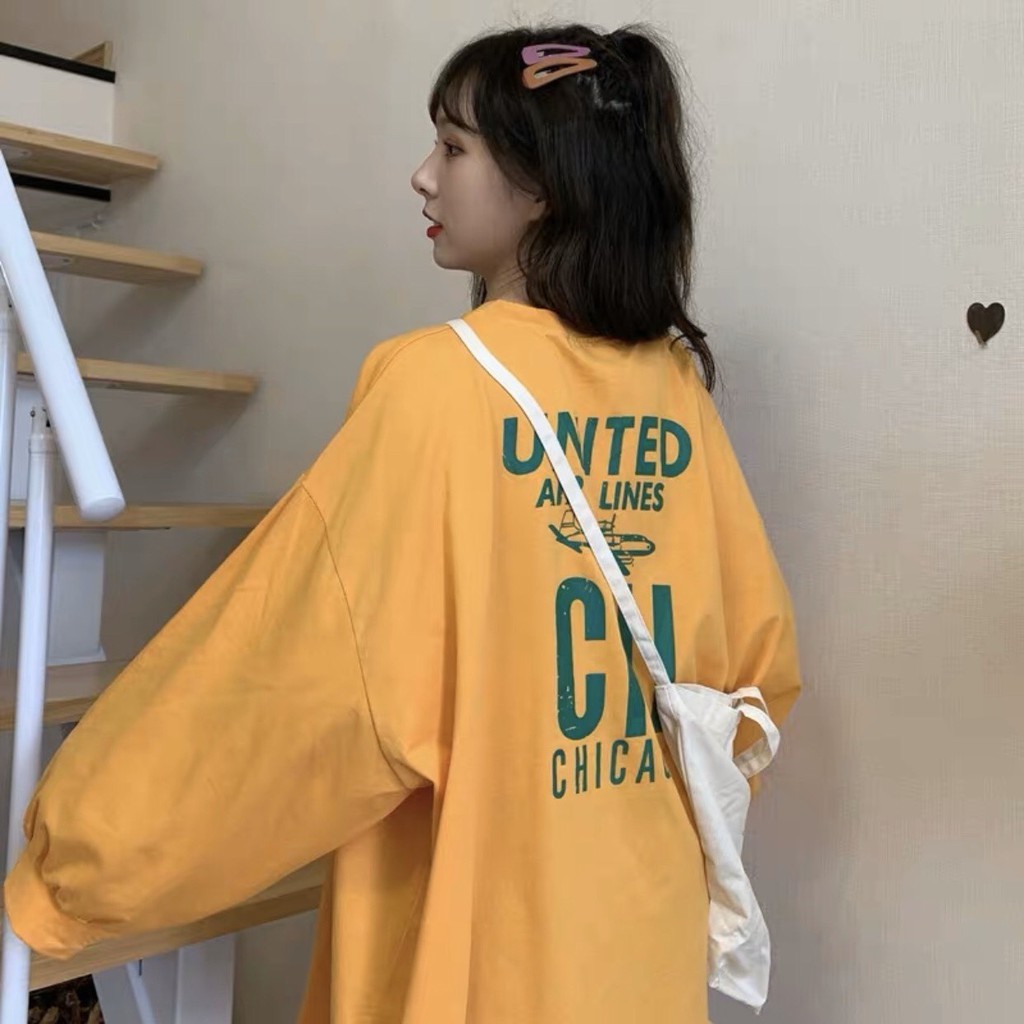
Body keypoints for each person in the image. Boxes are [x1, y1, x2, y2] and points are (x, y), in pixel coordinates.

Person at [4, 22, 801, 1024]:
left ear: (541, 187)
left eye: (454, 148)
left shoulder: (434, 385)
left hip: (480, 956)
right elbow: (755, 677)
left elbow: (291, 678)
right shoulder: (674, 391)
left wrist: (69, 866)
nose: (422, 176)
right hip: (642, 937)